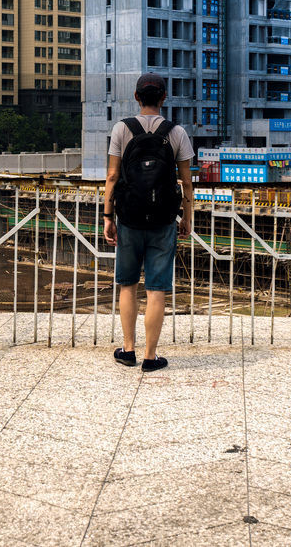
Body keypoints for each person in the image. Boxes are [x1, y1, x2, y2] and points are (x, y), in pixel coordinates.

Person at [102, 72, 194, 372]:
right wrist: (187, 217)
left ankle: (127, 350)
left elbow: (113, 176)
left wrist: (107, 217)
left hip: (128, 217)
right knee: (157, 289)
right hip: (163, 219)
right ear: (164, 97)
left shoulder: (121, 129)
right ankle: (150, 357)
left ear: (137, 97)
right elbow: (186, 184)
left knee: (127, 284)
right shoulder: (176, 132)